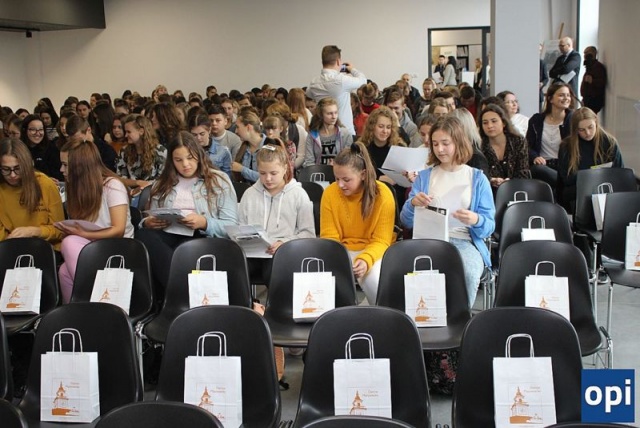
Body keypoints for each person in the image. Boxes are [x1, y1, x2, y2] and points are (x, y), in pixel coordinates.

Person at [400, 116, 495, 308]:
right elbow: (406, 221)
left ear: (458, 142)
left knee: (468, 272)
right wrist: (412, 204)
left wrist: (476, 220)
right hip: (428, 240)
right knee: (410, 269)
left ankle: (459, 319)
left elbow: (489, 226)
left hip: (463, 241)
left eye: (445, 143)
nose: (439, 149)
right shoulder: (425, 177)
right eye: (435, 144)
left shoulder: (477, 178)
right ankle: (422, 317)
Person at [135, 131, 238, 292]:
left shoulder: (219, 180)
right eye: (178, 160)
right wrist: (148, 222)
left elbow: (232, 226)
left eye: (190, 158)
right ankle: (184, 290)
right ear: (171, 161)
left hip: (202, 235)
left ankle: (177, 293)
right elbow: (151, 215)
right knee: (143, 235)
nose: (185, 164)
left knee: (182, 250)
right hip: (168, 234)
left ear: (199, 155)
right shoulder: (162, 183)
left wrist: (204, 223)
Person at [56, 140, 134, 303]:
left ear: (80, 166)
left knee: (69, 243)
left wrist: (83, 233)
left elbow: (118, 230)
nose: (61, 170)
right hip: (92, 246)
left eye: (65, 165)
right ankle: (79, 312)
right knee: (63, 271)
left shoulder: (112, 186)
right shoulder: (76, 188)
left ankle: (95, 301)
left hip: (118, 248)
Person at [320, 141, 396, 304]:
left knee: (375, 283)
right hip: (342, 250)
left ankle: (383, 316)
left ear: (363, 174)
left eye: (346, 179)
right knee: (328, 284)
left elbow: (382, 240)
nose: (340, 184)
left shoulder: (383, 194)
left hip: (373, 250)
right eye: (336, 178)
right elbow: (330, 238)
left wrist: (366, 259)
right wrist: (342, 260)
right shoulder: (330, 193)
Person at [238, 143, 315, 284]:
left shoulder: (298, 194)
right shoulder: (249, 194)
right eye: (262, 173)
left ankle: (276, 299)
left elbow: (308, 234)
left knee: (274, 271)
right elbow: (241, 227)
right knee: (234, 270)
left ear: (285, 168)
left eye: (273, 173)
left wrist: (283, 243)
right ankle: (247, 299)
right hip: (253, 253)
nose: (268, 178)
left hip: (284, 252)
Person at [0, 138, 64, 249]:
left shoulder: (45, 184)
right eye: (6, 169)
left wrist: (34, 231)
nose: (12, 175)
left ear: (27, 165)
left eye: (17, 168)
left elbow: (59, 230)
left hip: (46, 247)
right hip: (10, 248)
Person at [557, 107, 623, 211]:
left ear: (596, 122)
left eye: (590, 127)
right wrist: (592, 175)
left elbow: (620, 173)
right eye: (581, 130)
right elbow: (566, 179)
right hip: (578, 189)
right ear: (575, 130)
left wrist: (589, 175)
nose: (587, 133)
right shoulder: (566, 146)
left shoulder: (609, 143)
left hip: (605, 188)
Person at [306, 45, 367, 136]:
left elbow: (308, 93)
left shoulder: (314, 83)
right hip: (345, 133)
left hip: (324, 132)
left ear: (322, 62)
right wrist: (352, 69)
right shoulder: (342, 80)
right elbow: (363, 81)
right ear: (338, 61)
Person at [526, 82, 575, 190]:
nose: (566, 98)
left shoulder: (573, 120)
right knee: (537, 170)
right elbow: (527, 146)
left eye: (568, 95)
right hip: (543, 165)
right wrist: (535, 157)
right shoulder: (536, 120)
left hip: (565, 166)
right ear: (550, 99)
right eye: (561, 95)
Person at [479, 104, 530, 191]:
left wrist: (510, 182)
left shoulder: (518, 141)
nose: (490, 126)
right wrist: (491, 180)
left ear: (503, 123)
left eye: (494, 121)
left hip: (517, 188)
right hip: (490, 190)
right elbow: (479, 174)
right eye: (485, 123)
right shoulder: (480, 146)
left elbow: (523, 171)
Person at [117, 114, 167, 190]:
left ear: (141, 131)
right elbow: (120, 178)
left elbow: (163, 179)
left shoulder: (160, 151)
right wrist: (137, 183)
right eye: (125, 132)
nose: (126, 135)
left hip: (153, 191)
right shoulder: (124, 151)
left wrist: (144, 187)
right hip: (130, 191)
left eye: (129, 132)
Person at [303, 97, 353, 166]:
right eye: (329, 113)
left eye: (336, 113)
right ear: (321, 115)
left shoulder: (345, 134)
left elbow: (349, 160)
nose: (334, 117)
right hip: (318, 171)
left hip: (339, 171)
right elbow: (309, 161)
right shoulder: (312, 136)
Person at [20, 114, 64, 181]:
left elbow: (58, 174)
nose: (38, 133)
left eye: (41, 129)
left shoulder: (51, 148)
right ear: (25, 130)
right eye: (33, 130)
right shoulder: (20, 149)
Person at [188, 113, 232, 178]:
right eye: (194, 135)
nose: (198, 138)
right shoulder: (187, 151)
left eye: (202, 134)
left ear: (209, 130)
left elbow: (227, 178)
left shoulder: (223, 151)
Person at [232, 107, 267, 183]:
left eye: (237, 127)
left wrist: (242, 169)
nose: (236, 131)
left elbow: (268, 178)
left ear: (248, 127)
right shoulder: (242, 148)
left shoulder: (269, 146)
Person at [580, 46, 607, 114]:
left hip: (593, 100)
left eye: (587, 53)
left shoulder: (598, 67)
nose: (585, 55)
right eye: (584, 53)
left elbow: (602, 82)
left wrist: (592, 81)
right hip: (587, 99)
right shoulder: (589, 66)